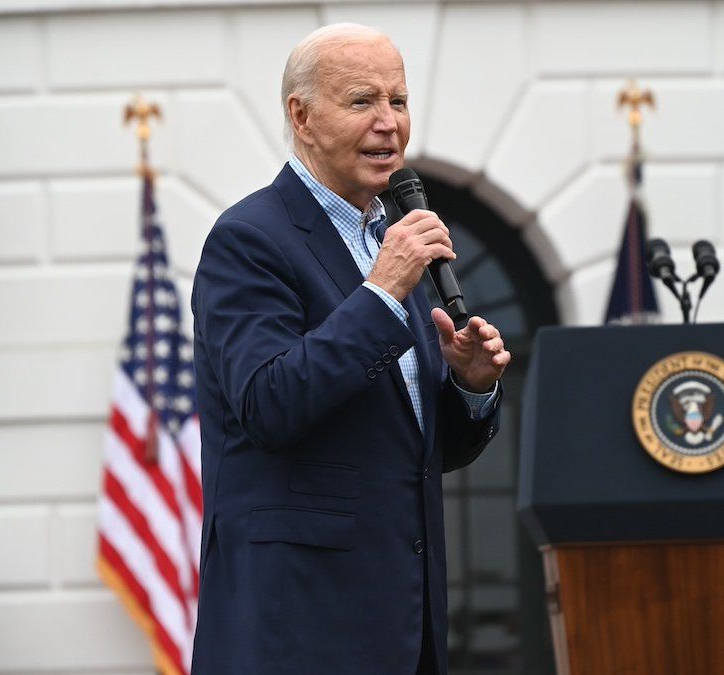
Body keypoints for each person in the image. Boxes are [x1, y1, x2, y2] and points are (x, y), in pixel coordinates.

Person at [189, 23, 510, 675]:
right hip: (299, 633)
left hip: (402, 626)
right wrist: (383, 289)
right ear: (301, 116)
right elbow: (269, 403)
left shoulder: (387, 243)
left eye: (398, 100)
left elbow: (401, 450)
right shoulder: (249, 240)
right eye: (363, 100)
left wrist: (469, 388)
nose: (389, 122)